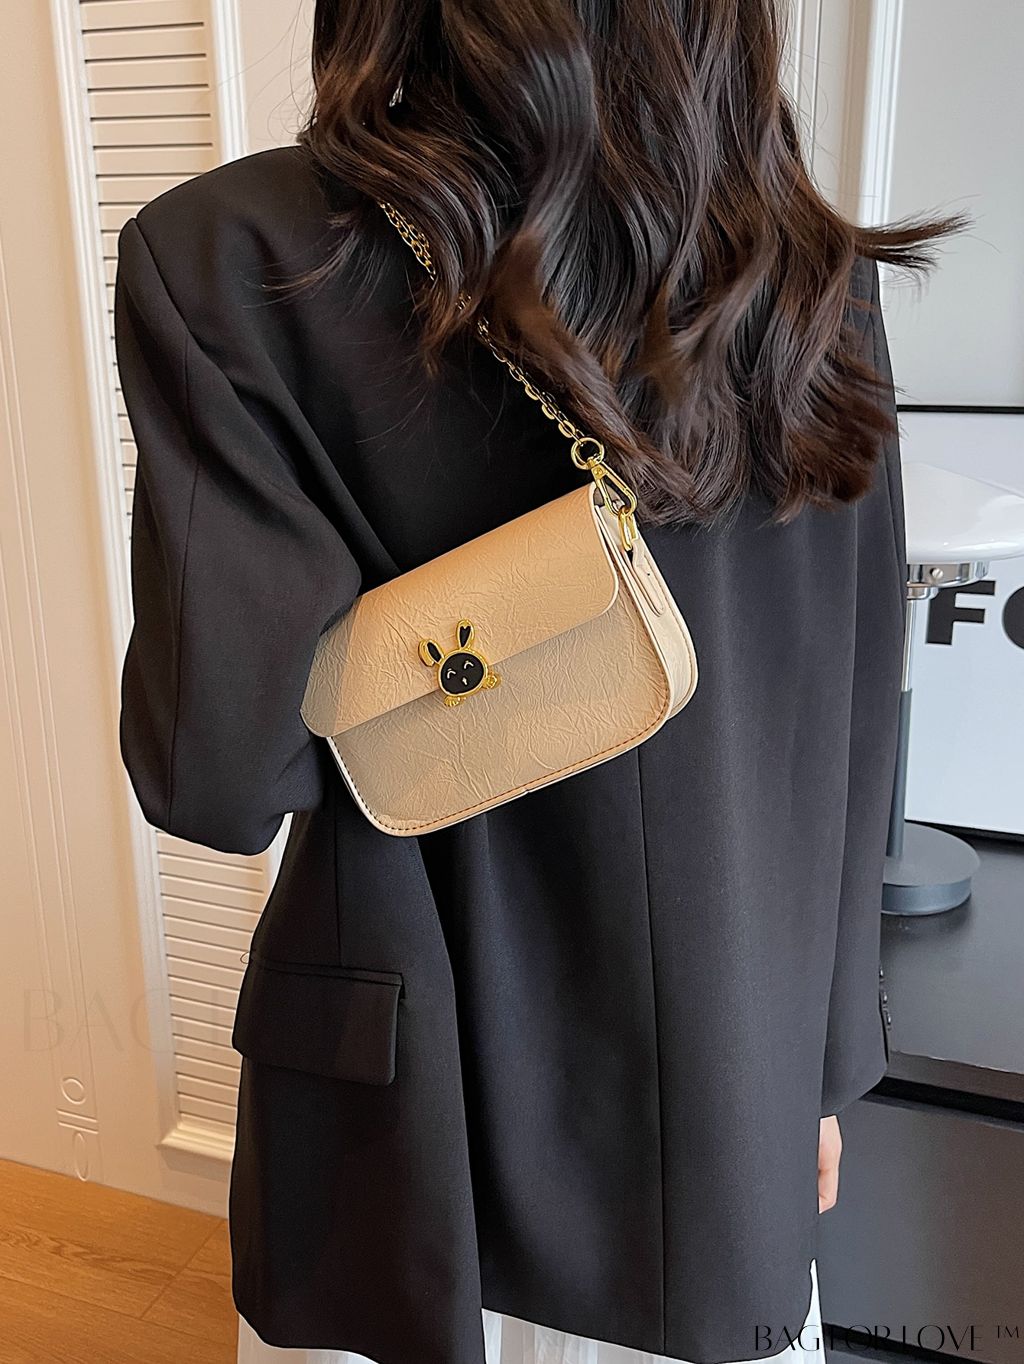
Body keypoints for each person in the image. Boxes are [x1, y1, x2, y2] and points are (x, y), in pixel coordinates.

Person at [113, 3, 965, 1363]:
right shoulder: (814, 276)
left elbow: (215, 779)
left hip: (413, 1133)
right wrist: (818, 1075)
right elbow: (857, 724)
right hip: (725, 1119)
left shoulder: (236, 253)